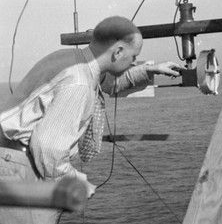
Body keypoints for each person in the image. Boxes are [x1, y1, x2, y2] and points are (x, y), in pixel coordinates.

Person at [0, 16, 183, 224]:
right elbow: (48, 146)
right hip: (23, 167)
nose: (134, 61)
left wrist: (149, 70)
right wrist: (73, 182)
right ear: (118, 52)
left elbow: (106, 83)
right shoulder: (78, 83)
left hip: (11, 161)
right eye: (134, 57)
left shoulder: (72, 60)